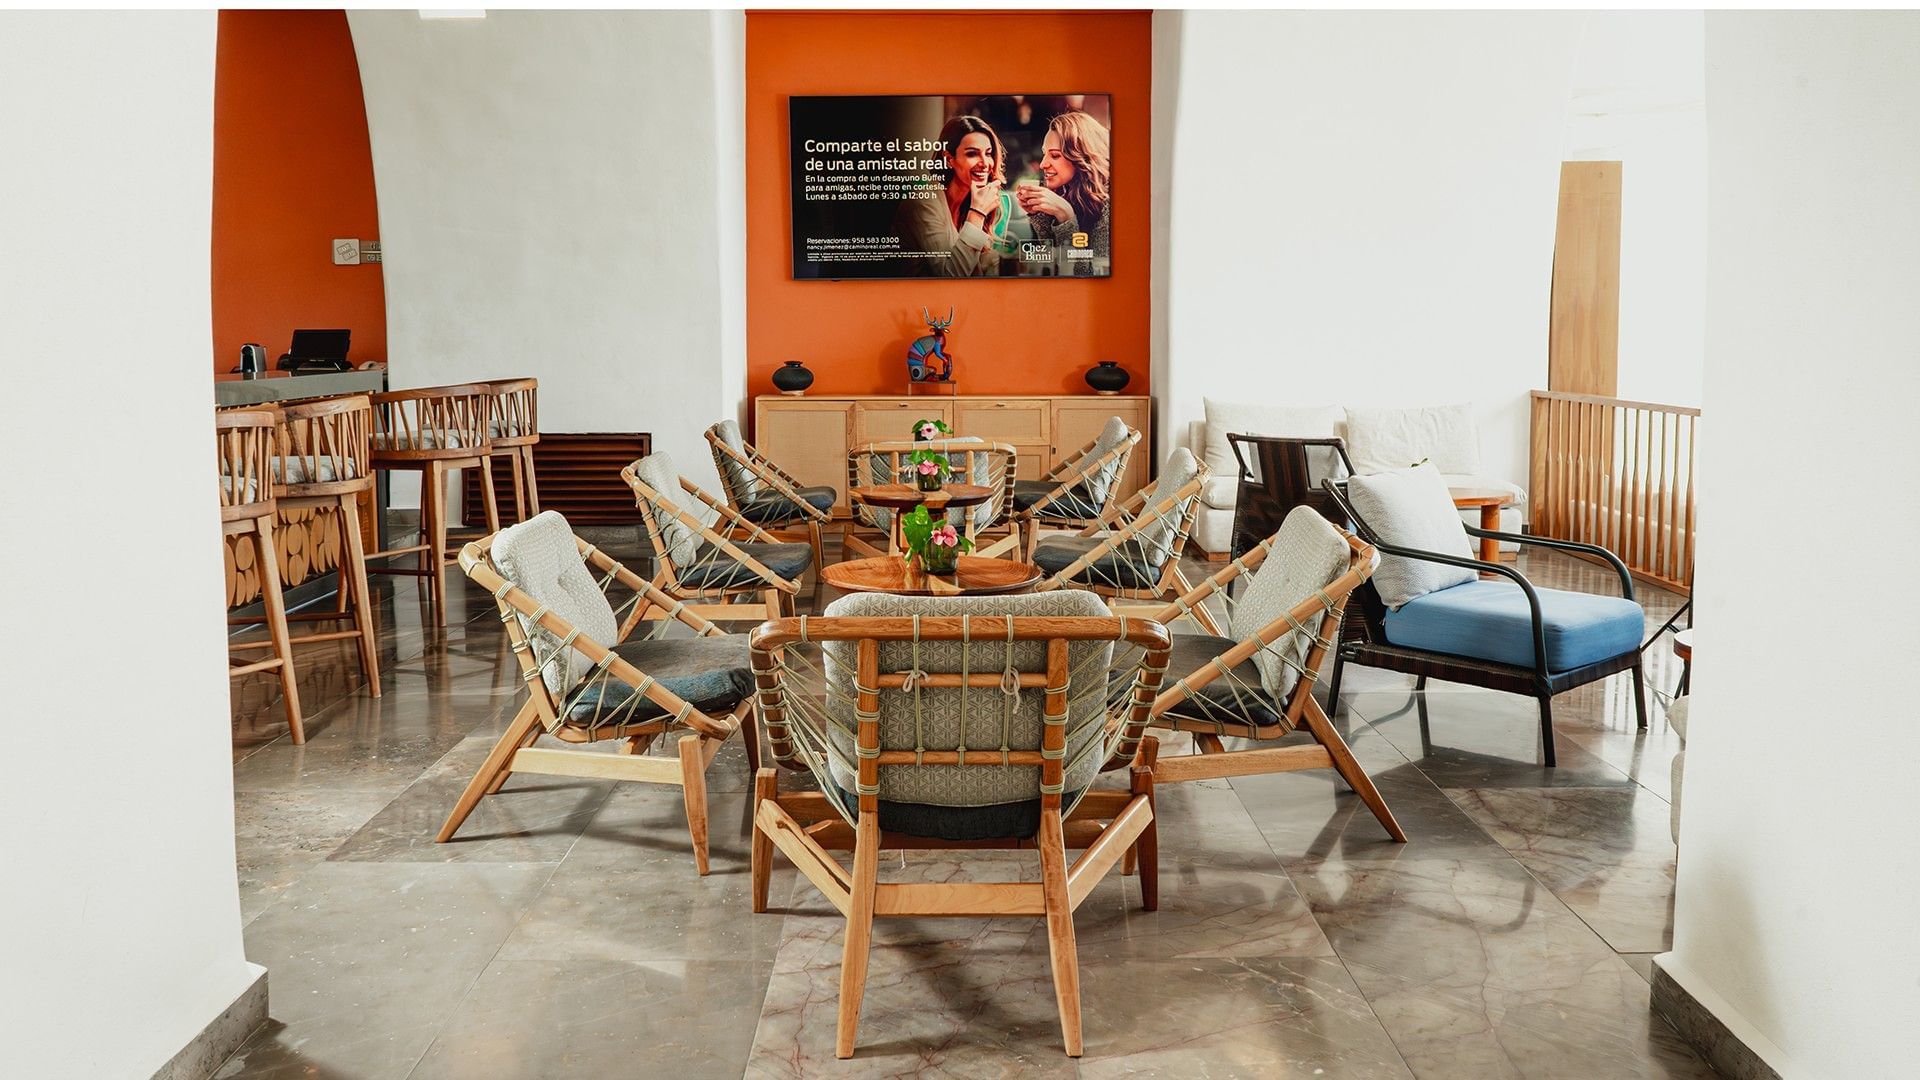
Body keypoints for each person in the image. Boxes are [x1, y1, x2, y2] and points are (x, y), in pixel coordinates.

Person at [900, 115, 1011, 277]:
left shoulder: (978, 201)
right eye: (972, 154)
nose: (985, 163)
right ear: (949, 159)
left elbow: (988, 271)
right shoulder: (923, 204)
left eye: (988, 153)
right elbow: (950, 277)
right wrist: (977, 213)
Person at [1015, 110, 1111, 274]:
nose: (1043, 164)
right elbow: (1053, 268)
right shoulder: (1066, 194)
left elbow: (1086, 276)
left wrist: (1066, 215)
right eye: (1045, 154)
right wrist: (1041, 214)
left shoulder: (1108, 205)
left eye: (1055, 155)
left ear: (1081, 157)